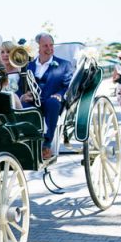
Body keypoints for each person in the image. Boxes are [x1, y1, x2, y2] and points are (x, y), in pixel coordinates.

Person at [19, 32, 73, 160]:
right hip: (34, 101)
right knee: (22, 105)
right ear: (38, 48)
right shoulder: (28, 66)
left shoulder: (64, 65)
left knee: (53, 103)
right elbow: (21, 87)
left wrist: (59, 95)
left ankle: (46, 144)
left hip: (53, 101)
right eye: (45, 46)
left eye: (51, 45)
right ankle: (28, 143)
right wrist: (23, 96)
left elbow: (68, 86)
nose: (49, 49)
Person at [0, 40, 24, 108]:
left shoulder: (20, 70)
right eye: (2, 52)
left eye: (8, 52)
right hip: (1, 100)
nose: (5, 54)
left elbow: (23, 89)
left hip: (18, 100)